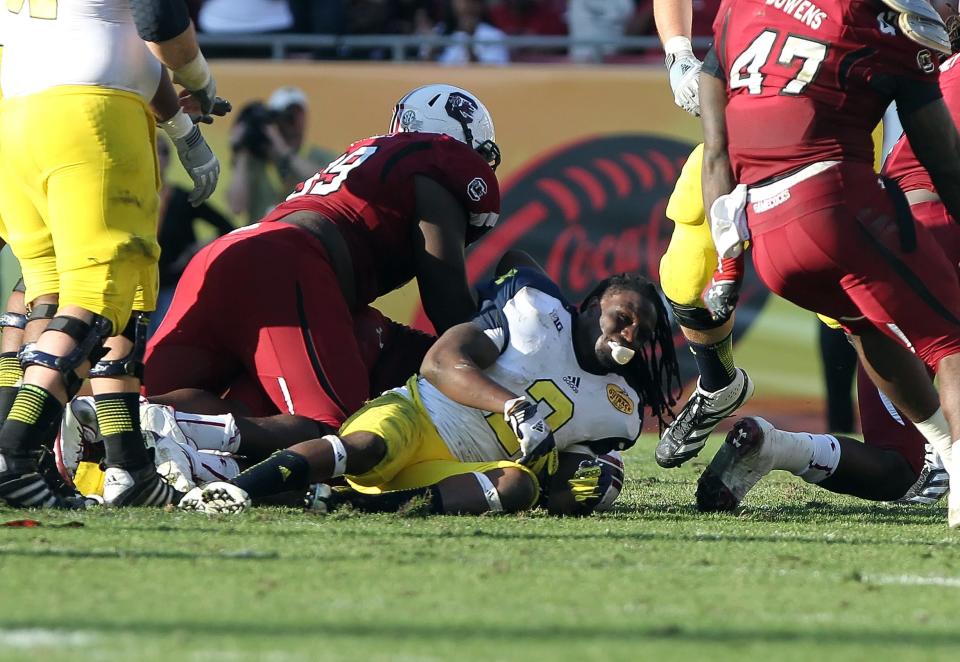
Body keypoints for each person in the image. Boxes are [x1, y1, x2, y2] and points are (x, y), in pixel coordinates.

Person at [695, 0, 960, 526]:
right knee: (953, 347)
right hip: (848, 213)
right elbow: (944, 167)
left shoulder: (739, 9)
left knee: (897, 457)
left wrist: (730, 262)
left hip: (767, 235)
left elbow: (717, 155)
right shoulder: (886, 28)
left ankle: (944, 456)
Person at [144, 84, 501, 436]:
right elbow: (448, 305)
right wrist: (502, 358)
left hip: (227, 253)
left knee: (143, 407)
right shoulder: (435, 162)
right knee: (330, 431)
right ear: (457, 136)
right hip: (282, 266)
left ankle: (102, 423)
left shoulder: (368, 156)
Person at [180, 266, 681, 516]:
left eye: (644, 329)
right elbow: (441, 362)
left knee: (517, 488)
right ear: (591, 305)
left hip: (461, 468)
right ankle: (233, 491)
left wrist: (586, 485)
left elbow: (570, 476)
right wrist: (512, 405)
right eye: (623, 317)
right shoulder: (533, 312)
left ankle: (353, 507)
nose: (630, 334)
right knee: (366, 448)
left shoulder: (622, 409)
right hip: (421, 414)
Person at [0, 0, 226, 508]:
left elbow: (113, 33)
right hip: (92, 114)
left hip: (16, 108)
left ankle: (128, 466)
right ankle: (16, 455)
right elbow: (157, 22)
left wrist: (180, 128)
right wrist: (199, 76)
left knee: (55, 291)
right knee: (99, 296)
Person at [151, 136, 235, 336]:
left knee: (164, 337)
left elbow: (225, 225)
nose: (158, 157)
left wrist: (195, 250)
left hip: (170, 284)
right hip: (138, 284)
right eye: (153, 150)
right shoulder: (131, 195)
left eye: (163, 152)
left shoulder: (181, 197)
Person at [226, 87, 336, 226]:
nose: (293, 120)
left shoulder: (319, 157)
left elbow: (327, 187)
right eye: (288, 114)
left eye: (298, 114)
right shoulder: (256, 161)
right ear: (273, 120)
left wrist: (283, 150)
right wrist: (241, 150)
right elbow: (236, 207)